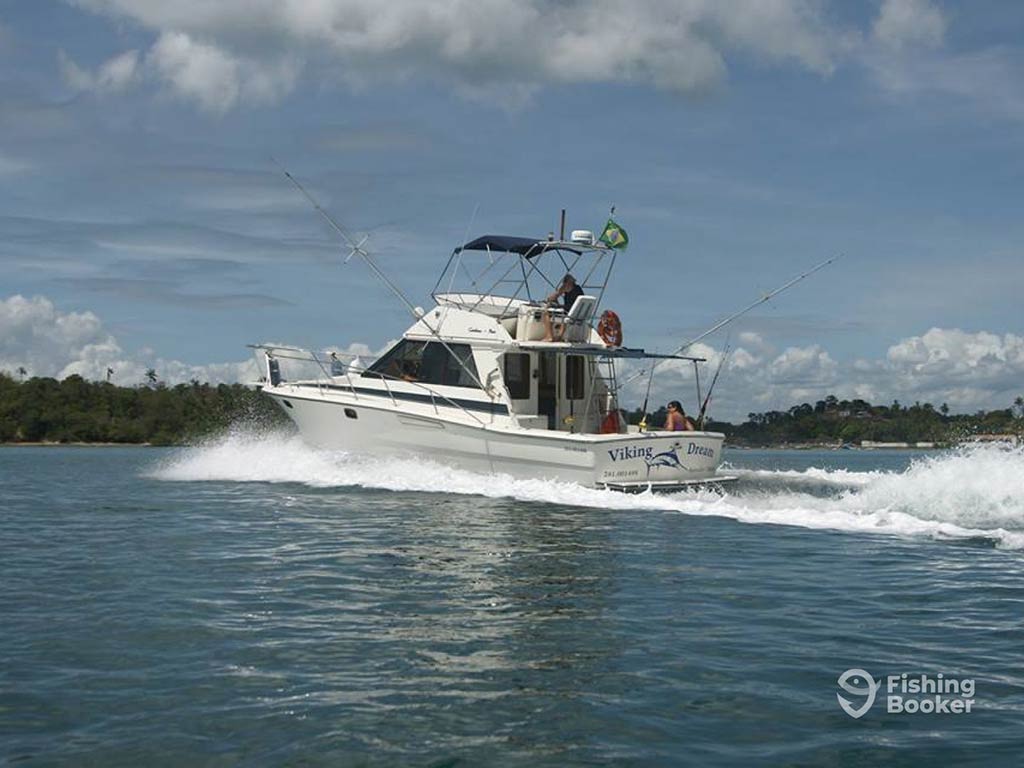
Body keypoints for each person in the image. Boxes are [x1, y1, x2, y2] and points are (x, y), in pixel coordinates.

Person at [542, 274, 584, 342]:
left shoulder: (566, 288)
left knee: (546, 313)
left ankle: (549, 336)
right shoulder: (578, 289)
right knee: (563, 314)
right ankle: (560, 337)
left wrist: (560, 291)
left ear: (567, 283)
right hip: (577, 314)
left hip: (568, 313)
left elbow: (551, 298)